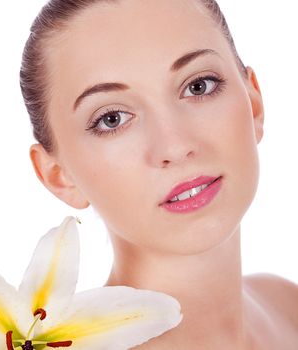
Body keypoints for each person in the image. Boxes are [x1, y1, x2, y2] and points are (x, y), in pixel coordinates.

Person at [20, 0, 298, 348]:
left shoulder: (288, 305)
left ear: (254, 102)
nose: (175, 146)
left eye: (199, 86)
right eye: (112, 119)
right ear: (59, 176)